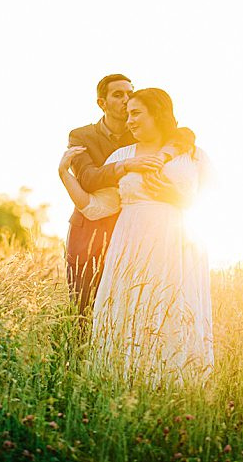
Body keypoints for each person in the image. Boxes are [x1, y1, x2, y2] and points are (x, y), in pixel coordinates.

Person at [60, 88, 214, 384]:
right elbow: (95, 207)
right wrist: (64, 175)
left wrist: (178, 197)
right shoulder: (122, 155)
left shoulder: (191, 154)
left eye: (135, 113)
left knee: (174, 308)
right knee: (131, 308)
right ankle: (126, 382)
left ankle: (176, 382)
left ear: (157, 114)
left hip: (178, 246)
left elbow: (218, 197)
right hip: (131, 243)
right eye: (127, 113)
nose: (128, 120)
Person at [63, 74, 166, 317]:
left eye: (129, 94)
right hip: (89, 229)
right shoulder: (81, 136)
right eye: (118, 95)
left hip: (131, 230)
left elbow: (181, 136)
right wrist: (127, 165)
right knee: (84, 307)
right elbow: (87, 179)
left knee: (128, 307)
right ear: (102, 103)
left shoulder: (142, 133)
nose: (126, 100)